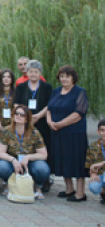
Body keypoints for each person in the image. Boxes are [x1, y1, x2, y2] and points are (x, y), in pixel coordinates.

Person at [47, 65, 89, 202]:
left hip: (74, 134)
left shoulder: (79, 92)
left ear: (73, 78)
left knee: (76, 161)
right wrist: (49, 121)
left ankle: (81, 193)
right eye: (62, 76)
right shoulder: (56, 91)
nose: (64, 79)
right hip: (58, 133)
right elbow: (49, 108)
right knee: (63, 160)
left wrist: (60, 124)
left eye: (67, 76)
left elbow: (79, 113)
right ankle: (69, 188)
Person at [0, 105, 50, 200]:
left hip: (30, 163)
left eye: (22, 115)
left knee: (43, 168)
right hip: (12, 161)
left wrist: (28, 157)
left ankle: (38, 186)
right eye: (16, 114)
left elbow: (44, 154)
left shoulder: (34, 132)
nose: (18, 116)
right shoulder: (7, 131)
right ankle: (9, 183)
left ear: (27, 119)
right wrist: (13, 160)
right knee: (1, 166)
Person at [14, 59, 53, 189]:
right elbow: (16, 104)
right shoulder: (21, 87)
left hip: (41, 122)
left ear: (40, 73)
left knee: (43, 147)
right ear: (27, 72)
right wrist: (26, 117)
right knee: (23, 146)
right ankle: (23, 174)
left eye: (36, 72)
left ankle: (44, 178)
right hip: (24, 122)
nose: (33, 74)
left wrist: (38, 116)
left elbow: (49, 104)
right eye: (31, 71)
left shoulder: (47, 87)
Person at [85, 119, 105, 204]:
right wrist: (92, 173)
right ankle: (103, 194)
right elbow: (89, 164)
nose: (104, 133)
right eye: (102, 130)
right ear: (98, 131)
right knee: (94, 186)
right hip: (100, 175)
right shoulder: (93, 146)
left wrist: (102, 163)